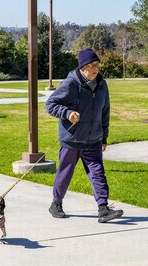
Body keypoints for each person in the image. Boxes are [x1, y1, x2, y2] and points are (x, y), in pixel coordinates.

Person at [45, 48, 124, 223]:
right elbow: (51, 104)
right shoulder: (71, 83)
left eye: (97, 65)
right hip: (72, 139)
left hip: (93, 139)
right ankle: (56, 204)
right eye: (92, 65)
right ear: (83, 67)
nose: (96, 69)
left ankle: (103, 209)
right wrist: (67, 113)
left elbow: (105, 112)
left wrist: (104, 137)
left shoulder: (102, 85)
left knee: (98, 173)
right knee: (64, 173)